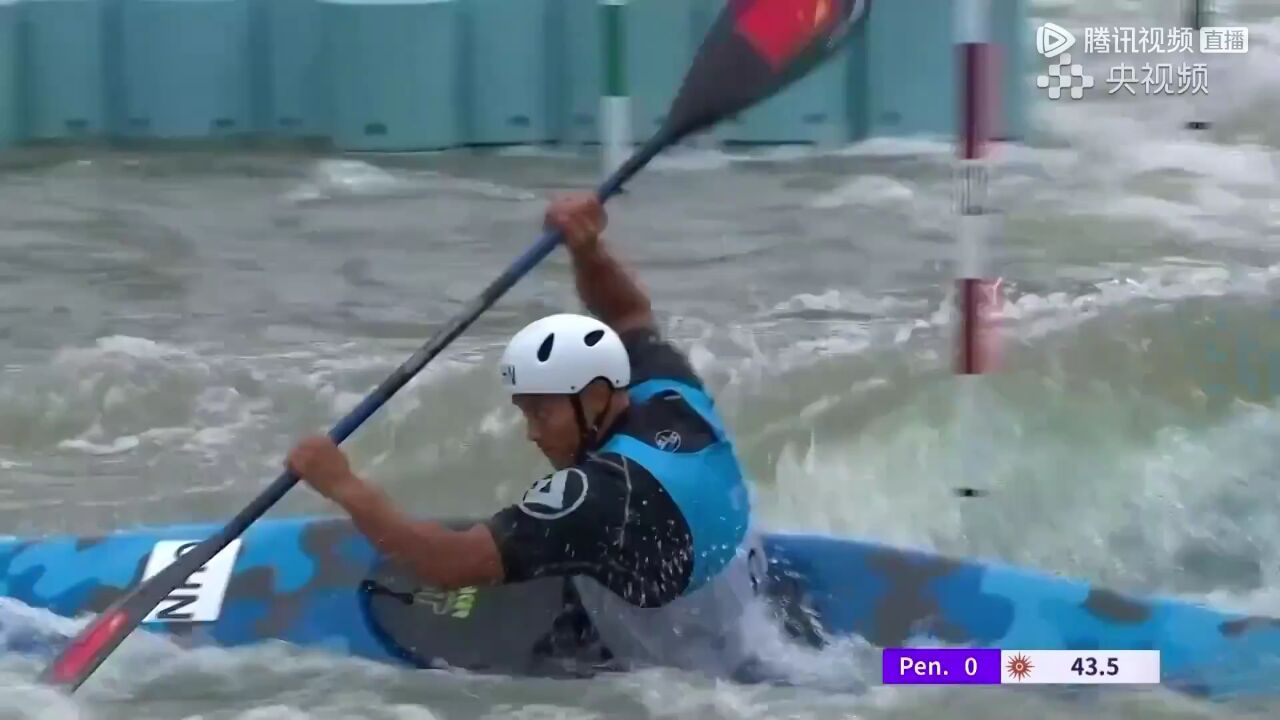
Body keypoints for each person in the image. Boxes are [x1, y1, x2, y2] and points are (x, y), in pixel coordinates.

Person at [286, 192, 765, 677]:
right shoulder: (664, 388)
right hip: (738, 587)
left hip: (679, 657)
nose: (532, 434)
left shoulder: (598, 496)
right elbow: (628, 314)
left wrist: (342, 484)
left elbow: (450, 565)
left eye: (542, 412)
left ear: (597, 393)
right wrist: (587, 249)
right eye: (526, 412)